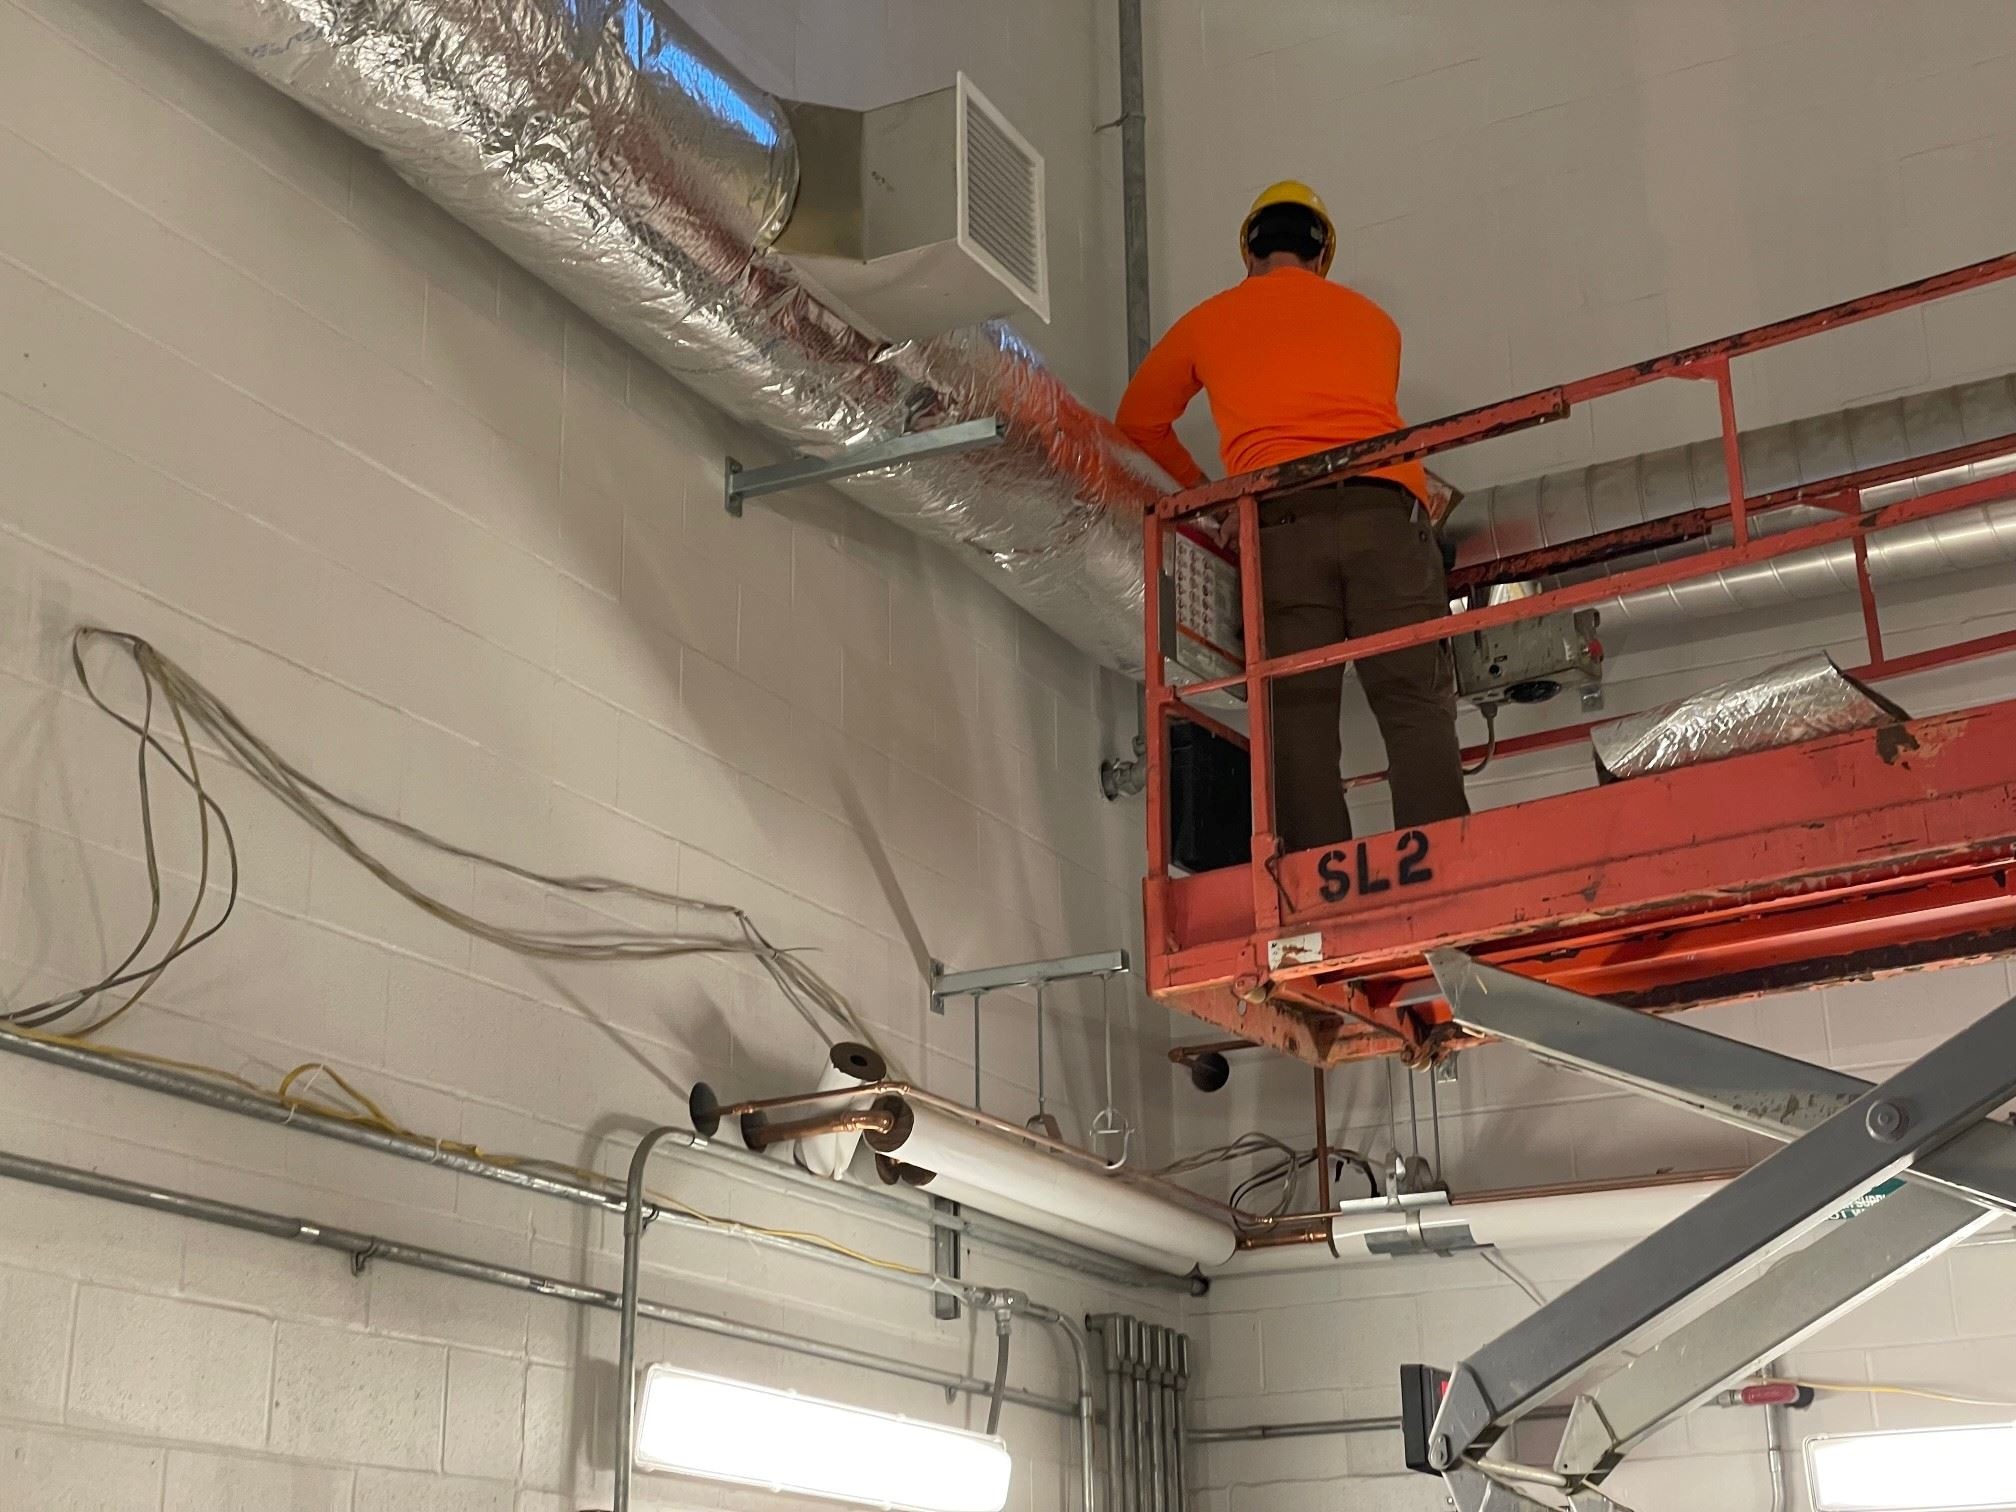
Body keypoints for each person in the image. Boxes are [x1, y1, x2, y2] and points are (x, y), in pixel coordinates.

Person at [1115, 179, 1469, 853]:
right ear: (1322, 253)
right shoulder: (1375, 323)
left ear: (1250, 251)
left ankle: (1321, 886)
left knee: (1299, 716)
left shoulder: (1209, 320)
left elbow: (1137, 421)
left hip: (1279, 527)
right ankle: (1444, 867)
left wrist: (1214, 492)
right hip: (1387, 516)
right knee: (1413, 702)